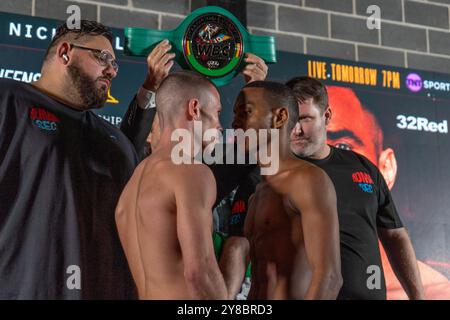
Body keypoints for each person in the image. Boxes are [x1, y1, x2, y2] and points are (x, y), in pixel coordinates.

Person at [0, 20, 168, 299]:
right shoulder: (8, 100)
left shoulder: (111, 138)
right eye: (102, 57)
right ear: (65, 52)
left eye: (115, 63)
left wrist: (151, 87)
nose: (112, 70)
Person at [286, 76, 425, 300]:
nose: (297, 129)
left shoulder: (363, 168)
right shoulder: (275, 173)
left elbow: (395, 235)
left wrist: (418, 297)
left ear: (326, 116)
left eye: (305, 119)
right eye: (291, 119)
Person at [325, 85, 450, 299]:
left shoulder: (436, 294)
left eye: (343, 147)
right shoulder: (277, 277)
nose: (327, 164)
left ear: (385, 169)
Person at [116, 71, 229, 299]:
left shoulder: (134, 181)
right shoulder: (190, 171)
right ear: (194, 109)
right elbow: (200, 272)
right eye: (217, 113)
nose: (220, 126)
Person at [232, 81, 342, 299]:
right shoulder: (257, 193)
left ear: (280, 117)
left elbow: (329, 278)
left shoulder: (307, 179)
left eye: (246, 112)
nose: (235, 123)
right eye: (235, 114)